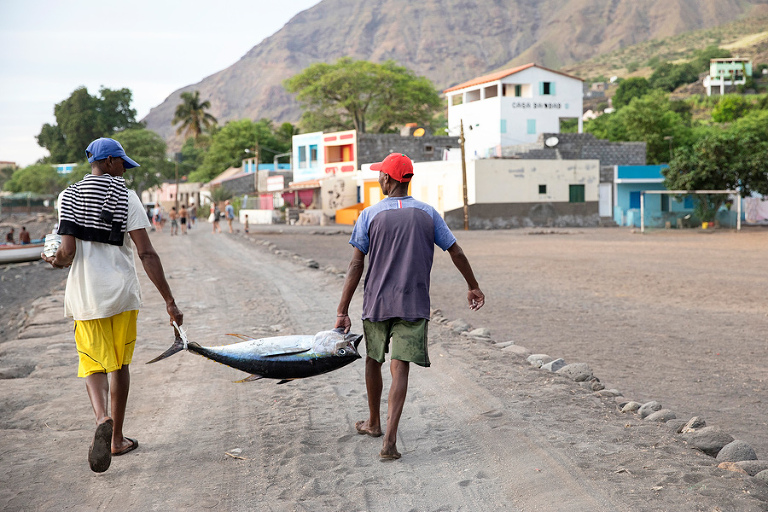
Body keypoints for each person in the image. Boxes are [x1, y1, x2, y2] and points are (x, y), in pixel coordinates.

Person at [42, 137, 183, 473]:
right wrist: (169, 300)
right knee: (119, 364)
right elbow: (146, 253)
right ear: (106, 162)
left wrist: (53, 259)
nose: (124, 170)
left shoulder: (68, 195)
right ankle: (116, 439)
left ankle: (101, 417)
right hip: (120, 294)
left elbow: (68, 252)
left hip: (86, 295)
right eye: (121, 163)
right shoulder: (126, 196)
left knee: (92, 364)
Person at [334, 153, 485, 461]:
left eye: (380, 175)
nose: (378, 178)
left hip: (377, 301)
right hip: (414, 302)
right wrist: (472, 285)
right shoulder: (429, 213)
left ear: (388, 179)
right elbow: (455, 251)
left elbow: (355, 265)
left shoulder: (369, 215)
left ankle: (374, 422)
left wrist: (342, 309)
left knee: (373, 360)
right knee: (400, 365)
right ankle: (389, 441)